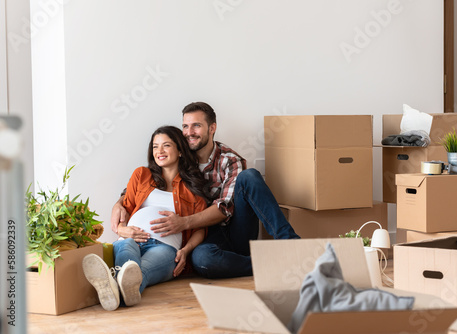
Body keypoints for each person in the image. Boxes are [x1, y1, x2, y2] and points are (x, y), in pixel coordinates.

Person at [111, 102, 299, 279]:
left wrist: (183, 223)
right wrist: (119, 204)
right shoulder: (176, 155)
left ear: (212, 128)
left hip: (236, 228)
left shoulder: (230, 160)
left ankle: (291, 246)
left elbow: (223, 208)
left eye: (196, 126)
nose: (189, 132)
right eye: (185, 126)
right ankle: (268, 265)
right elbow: (140, 186)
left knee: (249, 176)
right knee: (203, 261)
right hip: (209, 236)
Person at [83, 125, 208, 311]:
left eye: (166, 145)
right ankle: (124, 295)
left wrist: (186, 251)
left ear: (180, 150)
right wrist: (123, 230)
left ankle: (111, 287)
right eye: (155, 146)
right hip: (130, 240)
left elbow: (200, 228)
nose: (160, 151)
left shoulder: (192, 187)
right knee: (127, 258)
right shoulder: (141, 175)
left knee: (136, 272)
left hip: (165, 249)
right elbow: (122, 211)